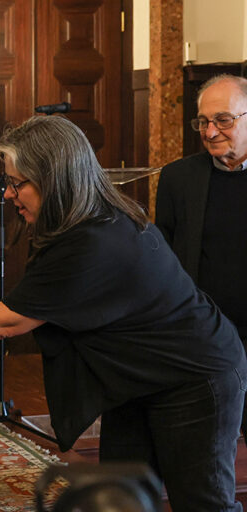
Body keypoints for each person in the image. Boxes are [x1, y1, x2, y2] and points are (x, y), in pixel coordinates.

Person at [0, 115, 247, 512]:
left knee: (202, 503)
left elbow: (8, 321)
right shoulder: (80, 224)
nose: (9, 195)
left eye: (17, 183)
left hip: (194, 379)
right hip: (135, 379)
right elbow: (29, 307)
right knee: (122, 497)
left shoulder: (93, 240)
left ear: (53, 179)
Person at [156, 73, 247, 444]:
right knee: (207, 452)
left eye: (223, 120)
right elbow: (164, 262)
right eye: (203, 122)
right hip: (204, 343)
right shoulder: (178, 179)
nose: (210, 132)